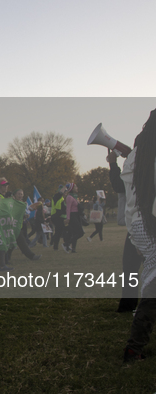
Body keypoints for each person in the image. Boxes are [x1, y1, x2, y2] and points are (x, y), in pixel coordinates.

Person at [122, 109, 156, 362]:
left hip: (140, 225)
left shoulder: (134, 155)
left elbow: (129, 203)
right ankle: (134, 348)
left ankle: (135, 347)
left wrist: (133, 237)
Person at [107, 150, 142, 313]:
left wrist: (114, 164)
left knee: (130, 268)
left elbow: (119, 185)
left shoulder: (138, 168)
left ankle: (129, 305)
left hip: (138, 224)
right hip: (139, 224)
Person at [62, 183, 84, 253]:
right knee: (80, 233)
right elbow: (68, 209)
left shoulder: (74, 197)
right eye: (76, 187)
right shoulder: (69, 197)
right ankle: (66, 244)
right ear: (72, 189)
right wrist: (68, 218)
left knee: (75, 233)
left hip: (76, 215)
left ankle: (73, 249)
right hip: (72, 216)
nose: (77, 188)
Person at [51, 185, 68, 251]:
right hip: (56, 217)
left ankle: (55, 246)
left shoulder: (61, 199)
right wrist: (66, 186)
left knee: (59, 232)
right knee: (63, 231)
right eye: (65, 192)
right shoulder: (57, 197)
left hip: (58, 217)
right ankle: (66, 245)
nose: (66, 193)